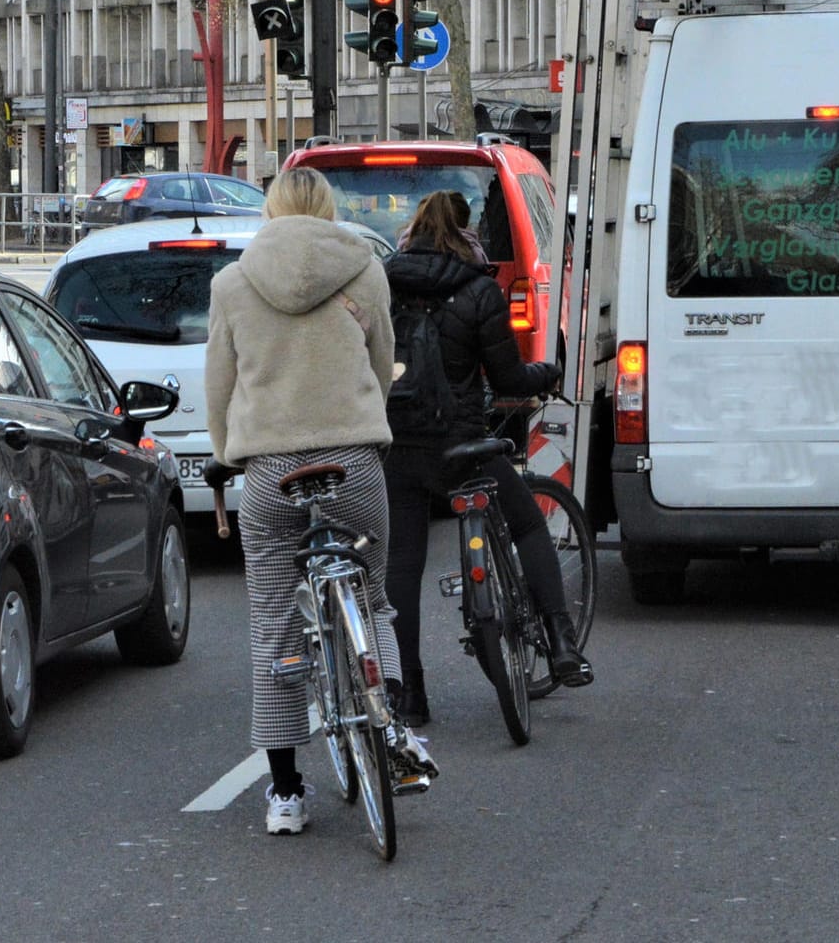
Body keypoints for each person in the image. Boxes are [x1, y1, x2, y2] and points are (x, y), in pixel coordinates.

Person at [205, 166, 436, 837]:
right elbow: (381, 357)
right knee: (373, 599)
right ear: (329, 208)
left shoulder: (232, 283)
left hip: (271, 471)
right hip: (354, 461)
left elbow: (220, 382)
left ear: (270, 210)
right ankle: (389, 728)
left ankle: (284, 794)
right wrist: (369, 424)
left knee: (274, 625)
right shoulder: (364, 268)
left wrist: (227, 454)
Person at [383, 190, 591, 729]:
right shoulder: (479, 290)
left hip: (400, 447)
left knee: (403, 566)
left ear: (413, 231)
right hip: (464, 449)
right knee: (527, 524)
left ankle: (410, 693)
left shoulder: (384, 284)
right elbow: (507, 381)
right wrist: (546, 375)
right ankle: (562, 641)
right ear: (466, 231)